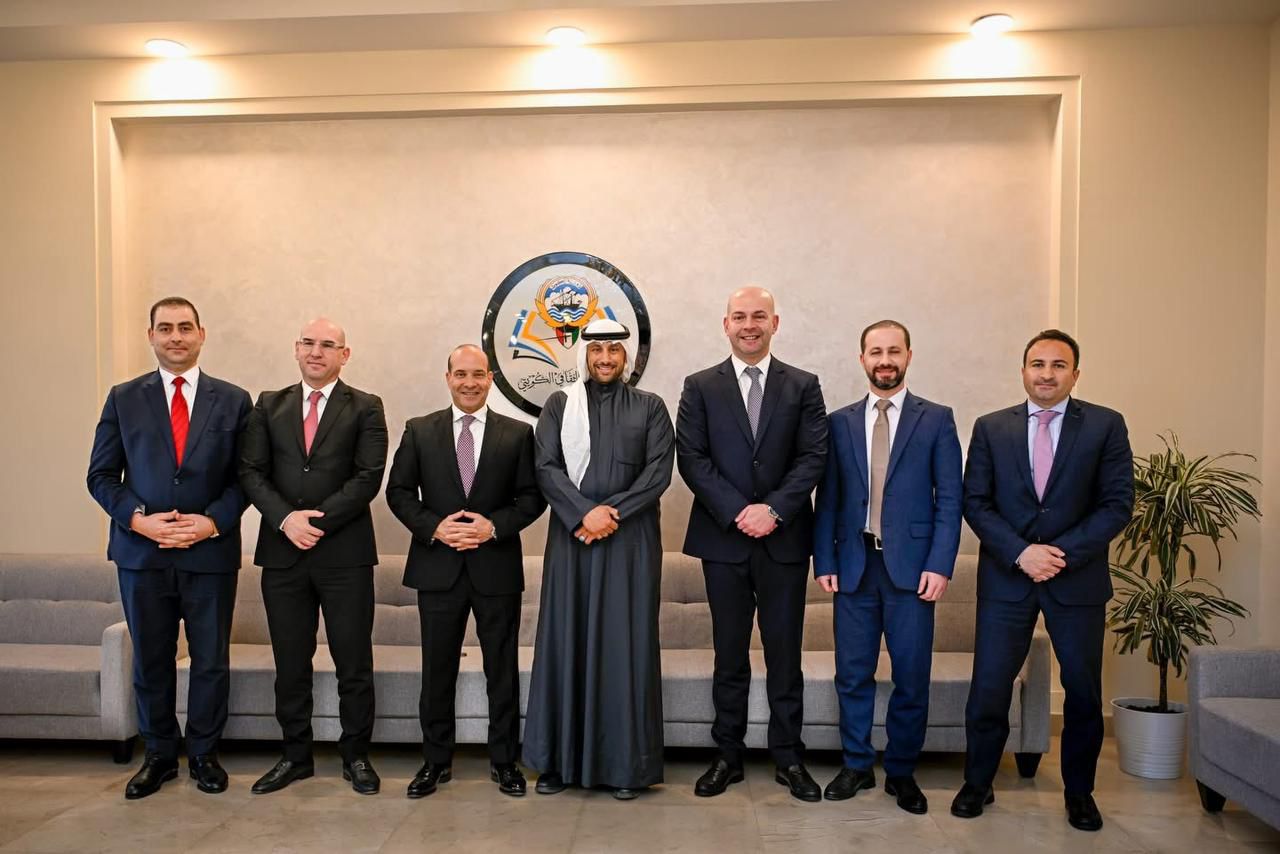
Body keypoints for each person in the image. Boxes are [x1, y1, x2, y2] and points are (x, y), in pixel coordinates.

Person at [951, 329, 1133, 832]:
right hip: (1007, 579)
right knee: (989, 687)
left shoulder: (1105, 425)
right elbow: (975, 503)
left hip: (1076, 582)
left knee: (1082, 691)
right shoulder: (992, 427)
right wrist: (1021, 553)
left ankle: (1079, 793)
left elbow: (1117, 504)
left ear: (1076, 373)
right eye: (1038, 364)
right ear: (1023, 371)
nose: (1047, 374)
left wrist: (1058, 556)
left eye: (1058, 365)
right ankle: (977, 782)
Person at [87, 296, 252, 799]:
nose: (175, 337)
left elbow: (247, 477)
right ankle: (159, 755)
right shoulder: (123, 398)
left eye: (184, 327)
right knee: (151, 659)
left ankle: (203, 754)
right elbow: (101, 475)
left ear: (202, 334)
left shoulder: (234, 400)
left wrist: (212, 523)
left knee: (210, 660)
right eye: (165, 328)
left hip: (209, 554)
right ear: (151, 336)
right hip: (142, 555)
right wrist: (140, 521)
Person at [676, 287, 828, 802]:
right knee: (729, 655)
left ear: (774, 323)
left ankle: (789, 758)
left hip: (784, 541)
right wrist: (740, 511)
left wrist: (774, 510)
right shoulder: (699, 386)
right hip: (723, 541)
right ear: (726, 325)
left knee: (785, 655)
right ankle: (728, 756)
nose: (749, 325)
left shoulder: (803, 385)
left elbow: (813, 457)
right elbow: (692, 458)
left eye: (758, 316)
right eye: (739, 316)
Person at [812, 320, 962, 813]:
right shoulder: (839, 422)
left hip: (913, 572)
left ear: (908, 356)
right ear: (862, 359)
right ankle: (856, 765)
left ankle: (901, 772)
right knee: (852, 675)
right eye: (875, 352)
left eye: (893, 351)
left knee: (911, 677)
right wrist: (825, 558)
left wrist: (940, 564)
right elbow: (828, 498)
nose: (885, 360)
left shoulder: (936, 419)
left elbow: (950, 500)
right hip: (854, 567)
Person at [522, 318, 675, 800]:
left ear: (626, 356)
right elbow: (546, 467)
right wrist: (583, 514)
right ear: (584, 355)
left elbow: (658, 474)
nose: (605, 359)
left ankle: (627, 769)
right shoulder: (559, 405)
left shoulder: (650, 407)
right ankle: (556, 764)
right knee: (564, 641)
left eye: (613, 350)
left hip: (630, 544)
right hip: (573, 540)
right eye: (596, 351)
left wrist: (610, 514)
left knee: (625, 648)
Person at [385, 344, 545, 799]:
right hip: (438, 568)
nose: (469, 383)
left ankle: (504, 762)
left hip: (496, 569)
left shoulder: (518, 434)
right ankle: (435, 762)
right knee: (437, 671)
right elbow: (398, 493)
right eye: (461, 374)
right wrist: (434, 528)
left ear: (490, 378)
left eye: (478, 374)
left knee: (502, 670)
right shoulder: (420, 430)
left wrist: (493, 527)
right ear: (448, 377)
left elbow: (533, 498)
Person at [238, 318, 388, 795]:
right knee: (290, 663)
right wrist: (287, 520)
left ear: (345, 354)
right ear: (296, 349)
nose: (316, 351)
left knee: (353, 662)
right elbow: (251, 471)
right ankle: (295, 757)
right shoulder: (269, 404)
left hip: (345, 556)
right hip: (283, 555)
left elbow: (368, 476)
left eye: (328, 345)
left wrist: (316, 523)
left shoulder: (366, 406)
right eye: (308, 343)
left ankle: (356, 756)